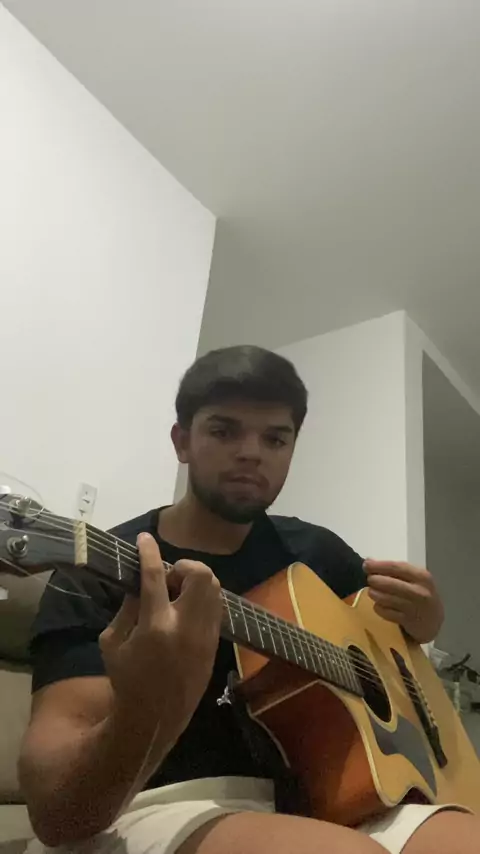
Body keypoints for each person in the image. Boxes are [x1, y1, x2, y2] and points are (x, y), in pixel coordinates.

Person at [20, 346, 478, 854]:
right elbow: (56, 815)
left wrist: (425, 623)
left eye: (275, 439)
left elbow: (392, 644)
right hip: (151, 804)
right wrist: (146, 704)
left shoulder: (316, 553)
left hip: (319, 798)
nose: (251, 452)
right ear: (182, 442)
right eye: (224, 431)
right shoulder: (101, 572)